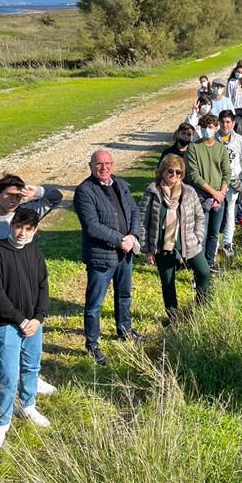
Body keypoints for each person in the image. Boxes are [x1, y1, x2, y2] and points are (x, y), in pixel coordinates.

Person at [0, 174, 61, 396]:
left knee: (28, 343)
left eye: (18, 196)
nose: (14, 200)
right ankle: (0, 383)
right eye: (9, 195)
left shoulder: (26, 213)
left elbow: (56, 197)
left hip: (26, 282)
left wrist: (38, 191)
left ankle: (31, 379)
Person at [0, 207, 51, 450]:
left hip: (33, 324)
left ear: (35, 230)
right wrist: (20, 320)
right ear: (11, 226)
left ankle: (28, 405)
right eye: (19, 227)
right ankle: (2, 422)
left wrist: (38, 318)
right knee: (8, 376)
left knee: (31, 367)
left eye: (28, 229)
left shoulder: (34, 252)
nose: (22, 233)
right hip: (6, 324)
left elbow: (43, 286)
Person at [73, 149, 142, 366]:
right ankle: (92, 343)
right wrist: (120, 240)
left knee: (124, 295)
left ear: (112, 164)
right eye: (99, 164)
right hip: (101, 257)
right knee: (95, 304)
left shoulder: (119, 183)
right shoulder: (84, 191)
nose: (104, 167)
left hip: (125, 253)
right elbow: (92, 226)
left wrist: (133, 236)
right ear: (91, 166)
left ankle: (124, 330)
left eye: (108, 163)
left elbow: (134, 211)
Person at [139, 154, 209, 321]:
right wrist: (147, 249)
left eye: (178, 172)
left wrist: (198, 237)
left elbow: (200, 216)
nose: (174, 175)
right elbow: (141, 221)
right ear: (162, 171)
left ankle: (200, 308)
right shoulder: (152, 192)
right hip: (163, 246)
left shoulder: (189, 191)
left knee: (204, 272)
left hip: (189, 243)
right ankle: (173, 317)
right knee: (168, 282)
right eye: (170, 171)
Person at [185, 112, 231, 271]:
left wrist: (221, 194)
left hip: (219, 197)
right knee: (201, 234)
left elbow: (227, 173)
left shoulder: (221, 148)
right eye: (204, 127)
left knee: (214, 232)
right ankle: (200, 268)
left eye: (210, 127)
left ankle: (210, 263)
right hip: (200, 196)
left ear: (216, 127)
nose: (207, 130)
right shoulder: (193, 148)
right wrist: (214, 193)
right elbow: (193, 176)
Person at [218, 110, 242, 256]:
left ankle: (227, 241)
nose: (225, 125)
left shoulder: (239, 140)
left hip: (232, 182)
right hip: (216, 182)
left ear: (233, 123)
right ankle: (214, 241)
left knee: (230, 211)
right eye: (222, 122)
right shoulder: (213, 139)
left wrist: (235, 173)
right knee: (217, 210)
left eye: (228, 122)